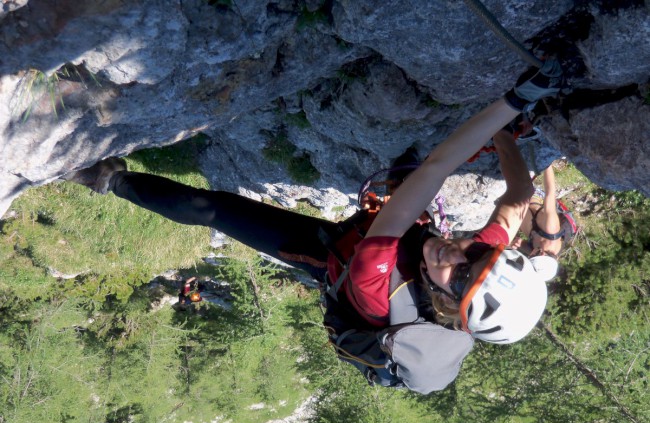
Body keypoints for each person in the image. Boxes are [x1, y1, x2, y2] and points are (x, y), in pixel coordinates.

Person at [61, 59, 563, 373]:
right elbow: (518, 197)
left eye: (461, 272)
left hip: (334, 256)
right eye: (478, 251)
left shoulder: (376, 281)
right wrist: (507, 134)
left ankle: (110, 180)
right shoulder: (473, 257)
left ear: (452, 303)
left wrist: (516, 99)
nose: (458, 250)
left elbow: (435, 169)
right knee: (406, 171)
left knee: (212, 208)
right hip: (389, 234)